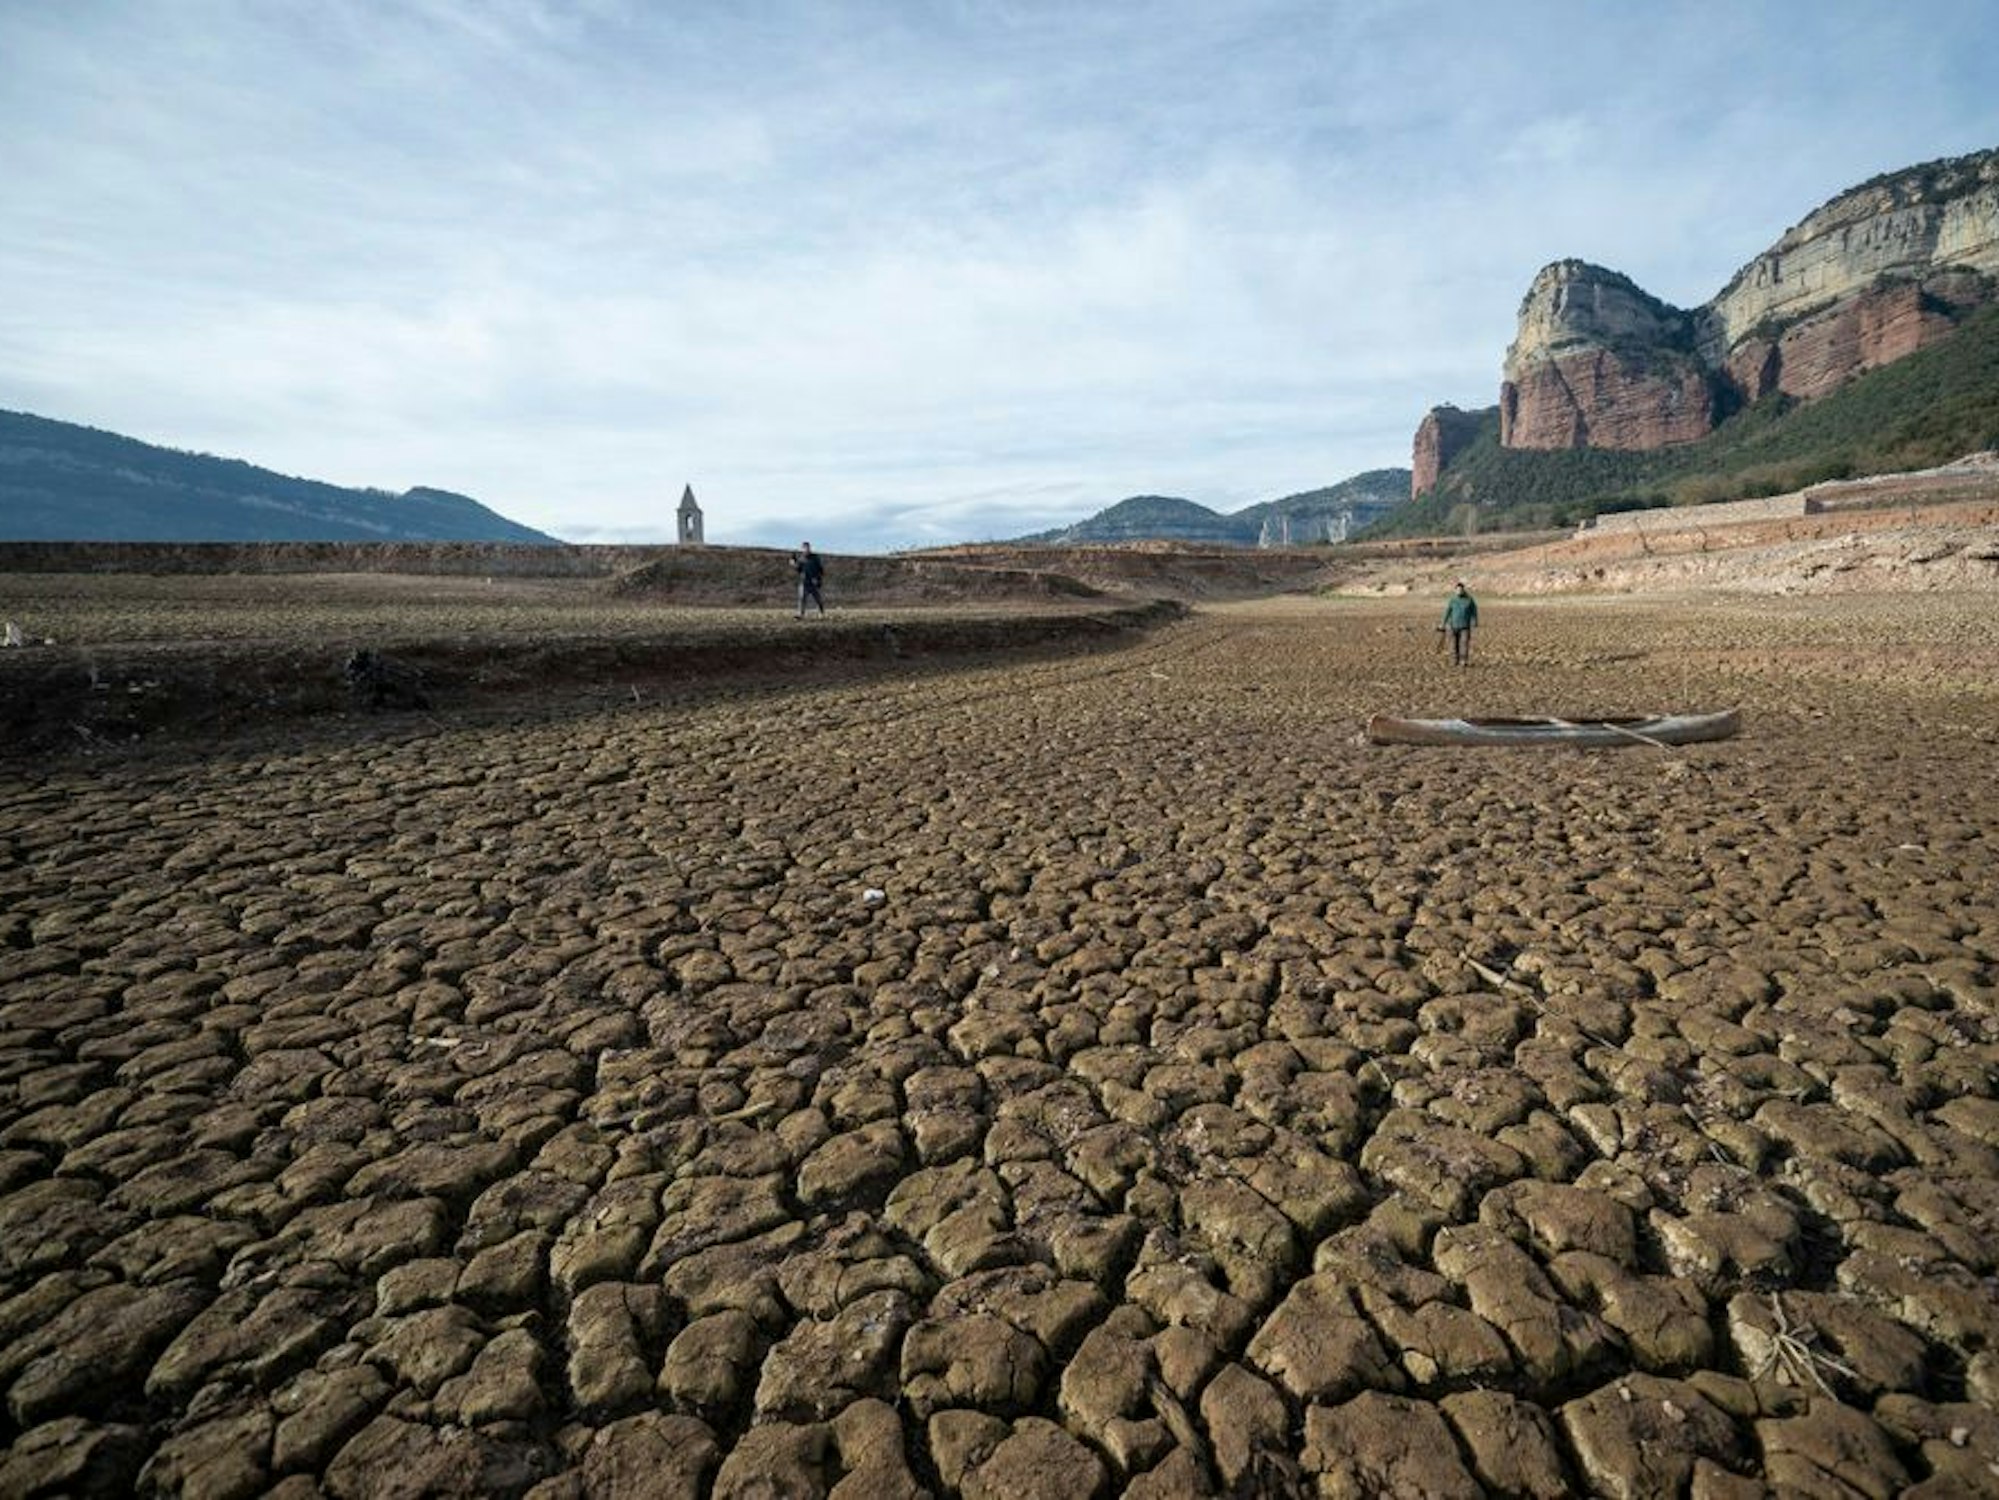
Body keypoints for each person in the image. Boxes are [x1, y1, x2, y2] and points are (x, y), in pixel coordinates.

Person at [1439, 580, 1478, 666]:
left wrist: (1475, 621)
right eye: (1457, 590)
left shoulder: (1469, 600)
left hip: (1465, 626)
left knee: (1464, 644)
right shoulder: (1452, 600)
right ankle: (1454, 660)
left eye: (1461, 589)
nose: (1459, 591)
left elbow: (1474, 611)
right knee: (1453, 644)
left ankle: (1463, 661)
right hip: (1453, 626)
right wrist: (1443, 623)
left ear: (1463, 590)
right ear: (1455, 590)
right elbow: (1447, 612)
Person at [792, 542, 825, 618]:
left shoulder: (815, 557)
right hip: (803, 582)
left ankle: (821, 613)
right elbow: (798, 569)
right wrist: (794, 563)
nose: (806, 549)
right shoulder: (801, 559)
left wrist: (819, 579)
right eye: (804, 548)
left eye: (807, 548)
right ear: (802, 549)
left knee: (818, 599)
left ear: (810, 548)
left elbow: (820, 569)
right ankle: (801, 614)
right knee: (802, 598)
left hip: (813, 582)